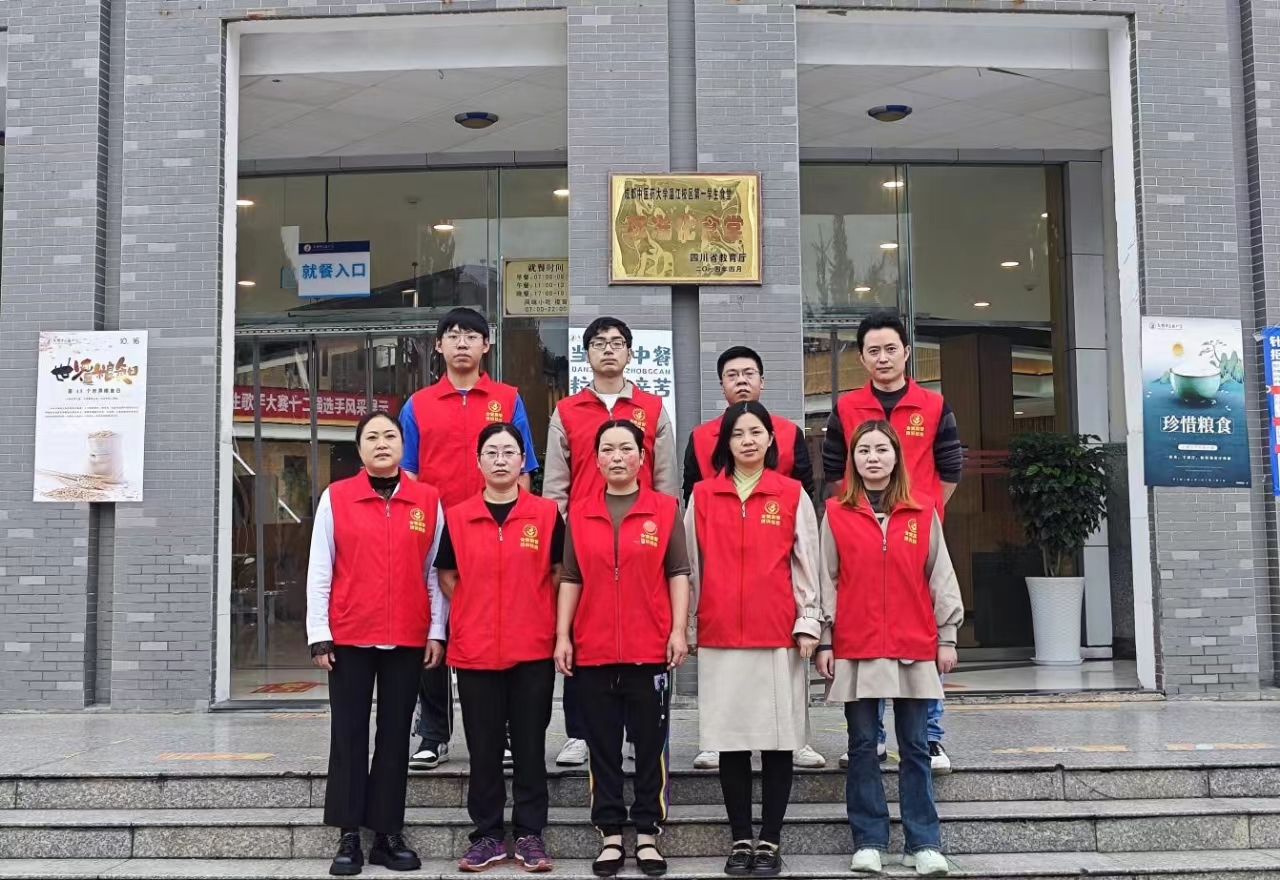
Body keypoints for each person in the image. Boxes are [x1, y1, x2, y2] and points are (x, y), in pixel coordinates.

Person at [815, 420, 962, 877]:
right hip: (856, 645)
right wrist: (824, 639)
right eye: (864, 451)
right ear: (853, 460)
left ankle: (924, 842)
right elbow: (826, 579)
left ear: (896, 456)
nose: (872, 457)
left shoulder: (921, 510)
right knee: (862, 746)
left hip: (913, 642)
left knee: (915, 746)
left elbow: (940, 575)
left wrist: (947, 635)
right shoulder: (836, 512)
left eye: (881, 449)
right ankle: (869, 841)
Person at [305, 412, 447, 876]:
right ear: (360, 448)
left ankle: (387, 833)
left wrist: (436, 630)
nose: (382, 443)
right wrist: (319, 634)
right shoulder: (337, 497)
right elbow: (320, 568)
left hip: (407, 635)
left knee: (394, 734)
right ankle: (348, 833)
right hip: (349, 634)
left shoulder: (427, 499)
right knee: (348, 733)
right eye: (372, 437)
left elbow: (434, 572)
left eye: (390, 435)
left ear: (403, 445)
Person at [685, 401, 823, 877]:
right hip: (721, 635)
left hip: (777, 634)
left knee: (779, 741)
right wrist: (689, 626)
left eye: (756, 432)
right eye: (738, 433)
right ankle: (741, 838)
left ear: (771, 439)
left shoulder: (791, 493)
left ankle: (771, 840)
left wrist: (809, 621)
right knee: (732, 742)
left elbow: (807, 562)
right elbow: (690, 567)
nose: (747, 440)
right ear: (725, 442)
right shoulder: (703, 495)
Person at [399, 307, 540, 772]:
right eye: (453, 336)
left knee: (501, 620)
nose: (462, 343)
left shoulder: (508, 398)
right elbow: (408, 473)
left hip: (496, 525)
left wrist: (520, 523)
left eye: (472, 336)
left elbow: (523, 469)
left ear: (487, 345)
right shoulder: (418, 404)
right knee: (434, 625)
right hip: (437, 528)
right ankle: (433, 732)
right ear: (438, 346)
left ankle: (503, 731)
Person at [821, 312, 962, 775]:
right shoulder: (846, 408)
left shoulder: (933, 405)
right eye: (873, 351)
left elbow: (950, 470)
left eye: (890, 349)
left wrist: (921, 512)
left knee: (919, 631)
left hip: (914, 534)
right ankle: (873, 739)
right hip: (860, 530)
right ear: (862, 358)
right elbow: (833, 469)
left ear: (906, 352)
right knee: (867, 628)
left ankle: (931, 737)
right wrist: (854, 514)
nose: (883, 358)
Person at [554, 420, 690, 878]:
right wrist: (563, 635)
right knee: (603, 746)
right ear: (595, 460)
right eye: (607, 449)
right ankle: (610, 833)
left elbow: (678, 572)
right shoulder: (580, 512)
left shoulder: (664, 509)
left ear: (641, 457)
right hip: (593, 649)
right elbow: (570, 577)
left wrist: (677, 630)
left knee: (650, 746)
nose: (617, 456)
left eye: (626, 448)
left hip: (648, 648)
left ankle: (648, 831)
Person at [544, 316, 679, 767]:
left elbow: (666, 482)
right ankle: (579, 732)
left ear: (629, 352)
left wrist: (662, 532)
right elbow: (556, 487)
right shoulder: (567, 411)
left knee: (642, 632)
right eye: (599, 343)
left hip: (642, 541)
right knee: (580, 633)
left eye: (617, 343)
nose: (608, 349)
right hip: (587, 543)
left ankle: (640, 733)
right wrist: (566, 539)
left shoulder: (652, 409)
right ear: (586, 353)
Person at [683, 346, 824, 772]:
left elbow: (804, 494)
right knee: (724, 687)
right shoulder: (700, 437)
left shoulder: (788, 431)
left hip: (774, 581)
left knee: (784, 684)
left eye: (749, 373)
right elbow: (690, 504)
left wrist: (809, 613)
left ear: (762, 381)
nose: (741, 380)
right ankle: (715, 742)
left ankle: (798, 740)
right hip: (722, 587)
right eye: (732, 374)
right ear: (721, 384)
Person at [435, 423, 563, 873]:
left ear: (523, 461)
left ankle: (529, 833)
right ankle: (487, 834)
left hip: (533, 648)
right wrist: (475, 607)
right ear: (479, 462)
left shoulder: (546, 514)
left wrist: (534, 611)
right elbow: (447, 575)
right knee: (483, 748)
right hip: (475, 649)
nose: (501, 459)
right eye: (492, 452)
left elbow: (558, 572)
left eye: (510, 451)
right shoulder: (458, 516)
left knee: (529, 745)